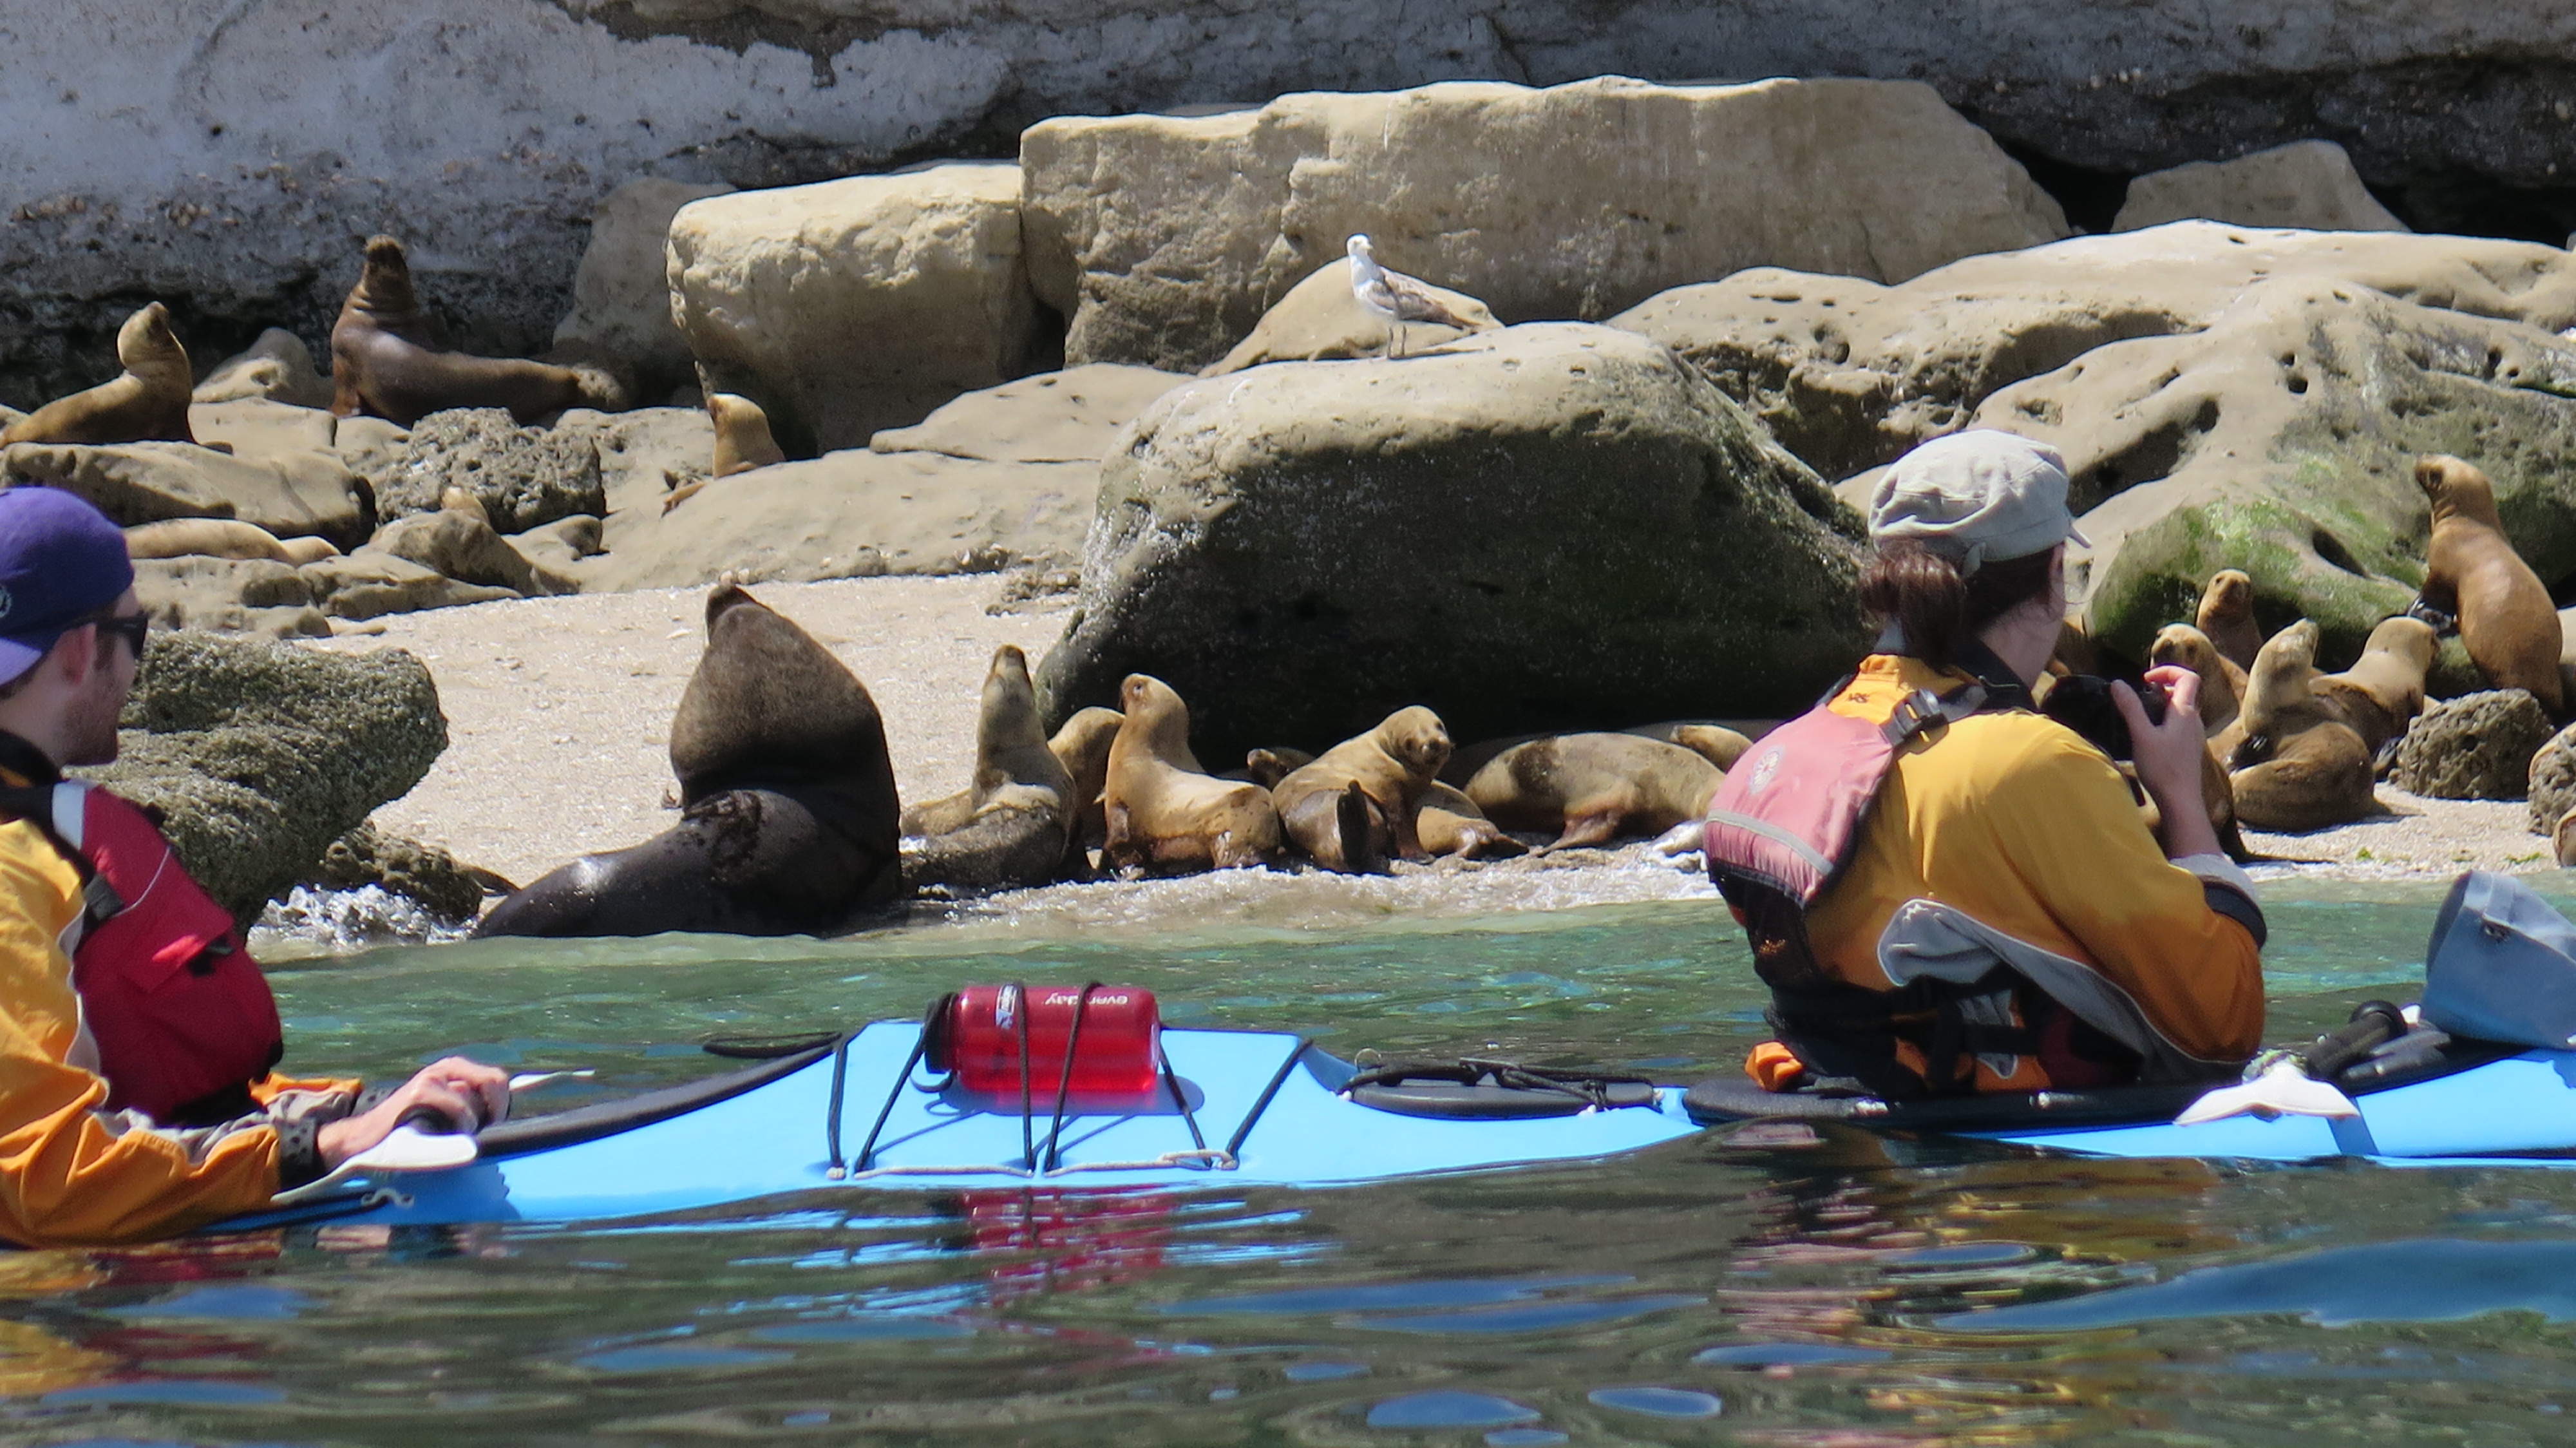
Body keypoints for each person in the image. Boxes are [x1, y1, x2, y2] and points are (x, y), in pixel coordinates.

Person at [0, 486, 508, 1246]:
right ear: (80, 649)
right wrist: (316, 1151)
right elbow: (42, 1177)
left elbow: (157, 1099)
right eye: (136, 630)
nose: (140, 660)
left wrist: (341, 1113)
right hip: (47, 1347)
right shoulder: (15, 868)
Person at [1705, 431, 2264, 1098]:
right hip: (2020, 1185)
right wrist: (2180, 795)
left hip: (1824, 1153)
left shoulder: (1773, 758)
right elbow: (2222, 1025)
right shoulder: (2032, 763)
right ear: (2053, 575)